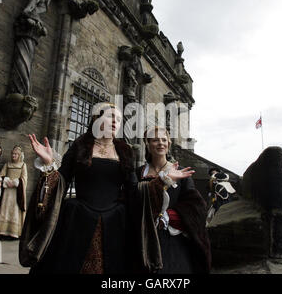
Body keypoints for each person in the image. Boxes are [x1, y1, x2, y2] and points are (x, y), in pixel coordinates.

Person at [19, 103, 193, 274]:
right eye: (110, 116)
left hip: (114, 221)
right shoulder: (81, 145)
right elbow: (61, 181)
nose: (115, 121)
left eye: (118, 118)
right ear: (96, 118)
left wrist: (163, 180)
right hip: (77, 219)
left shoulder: (124, 150)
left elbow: (134, 190)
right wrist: (49, 164)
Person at [133, 126, 211, 273]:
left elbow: (196, 206)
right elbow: (131, 200)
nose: (161, 143)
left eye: (164, 140)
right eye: (155, 140)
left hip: (172, 241)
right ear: (147, 144)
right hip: (143, 238)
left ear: (168, 144)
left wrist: (169, 216)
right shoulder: (138, 173)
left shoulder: (180, 171)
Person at [0, 145, 28, 239]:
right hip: (7, 192)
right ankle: (2, 232)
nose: (13, 156)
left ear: (19, 155)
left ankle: (13, 233)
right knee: (4, 210)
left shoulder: (23, 165)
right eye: (12, 154)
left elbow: (24, 178)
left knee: (15, 210)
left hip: (17, 192)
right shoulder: (7, 164)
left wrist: (15, 183)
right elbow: (1, 175)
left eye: (16, 154)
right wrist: (6, 180)